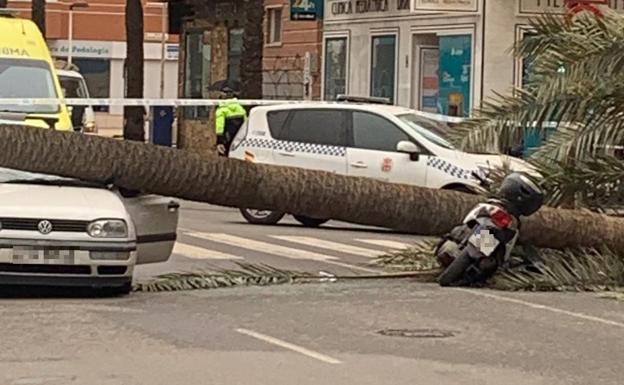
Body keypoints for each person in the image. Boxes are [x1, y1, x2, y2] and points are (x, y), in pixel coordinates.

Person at [215, 87, 247, 156]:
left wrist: (219, 141)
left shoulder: (221, 110)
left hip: (227, 139)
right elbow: (246, 123)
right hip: (240, 139)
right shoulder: (240, 108)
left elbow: (220, 126)